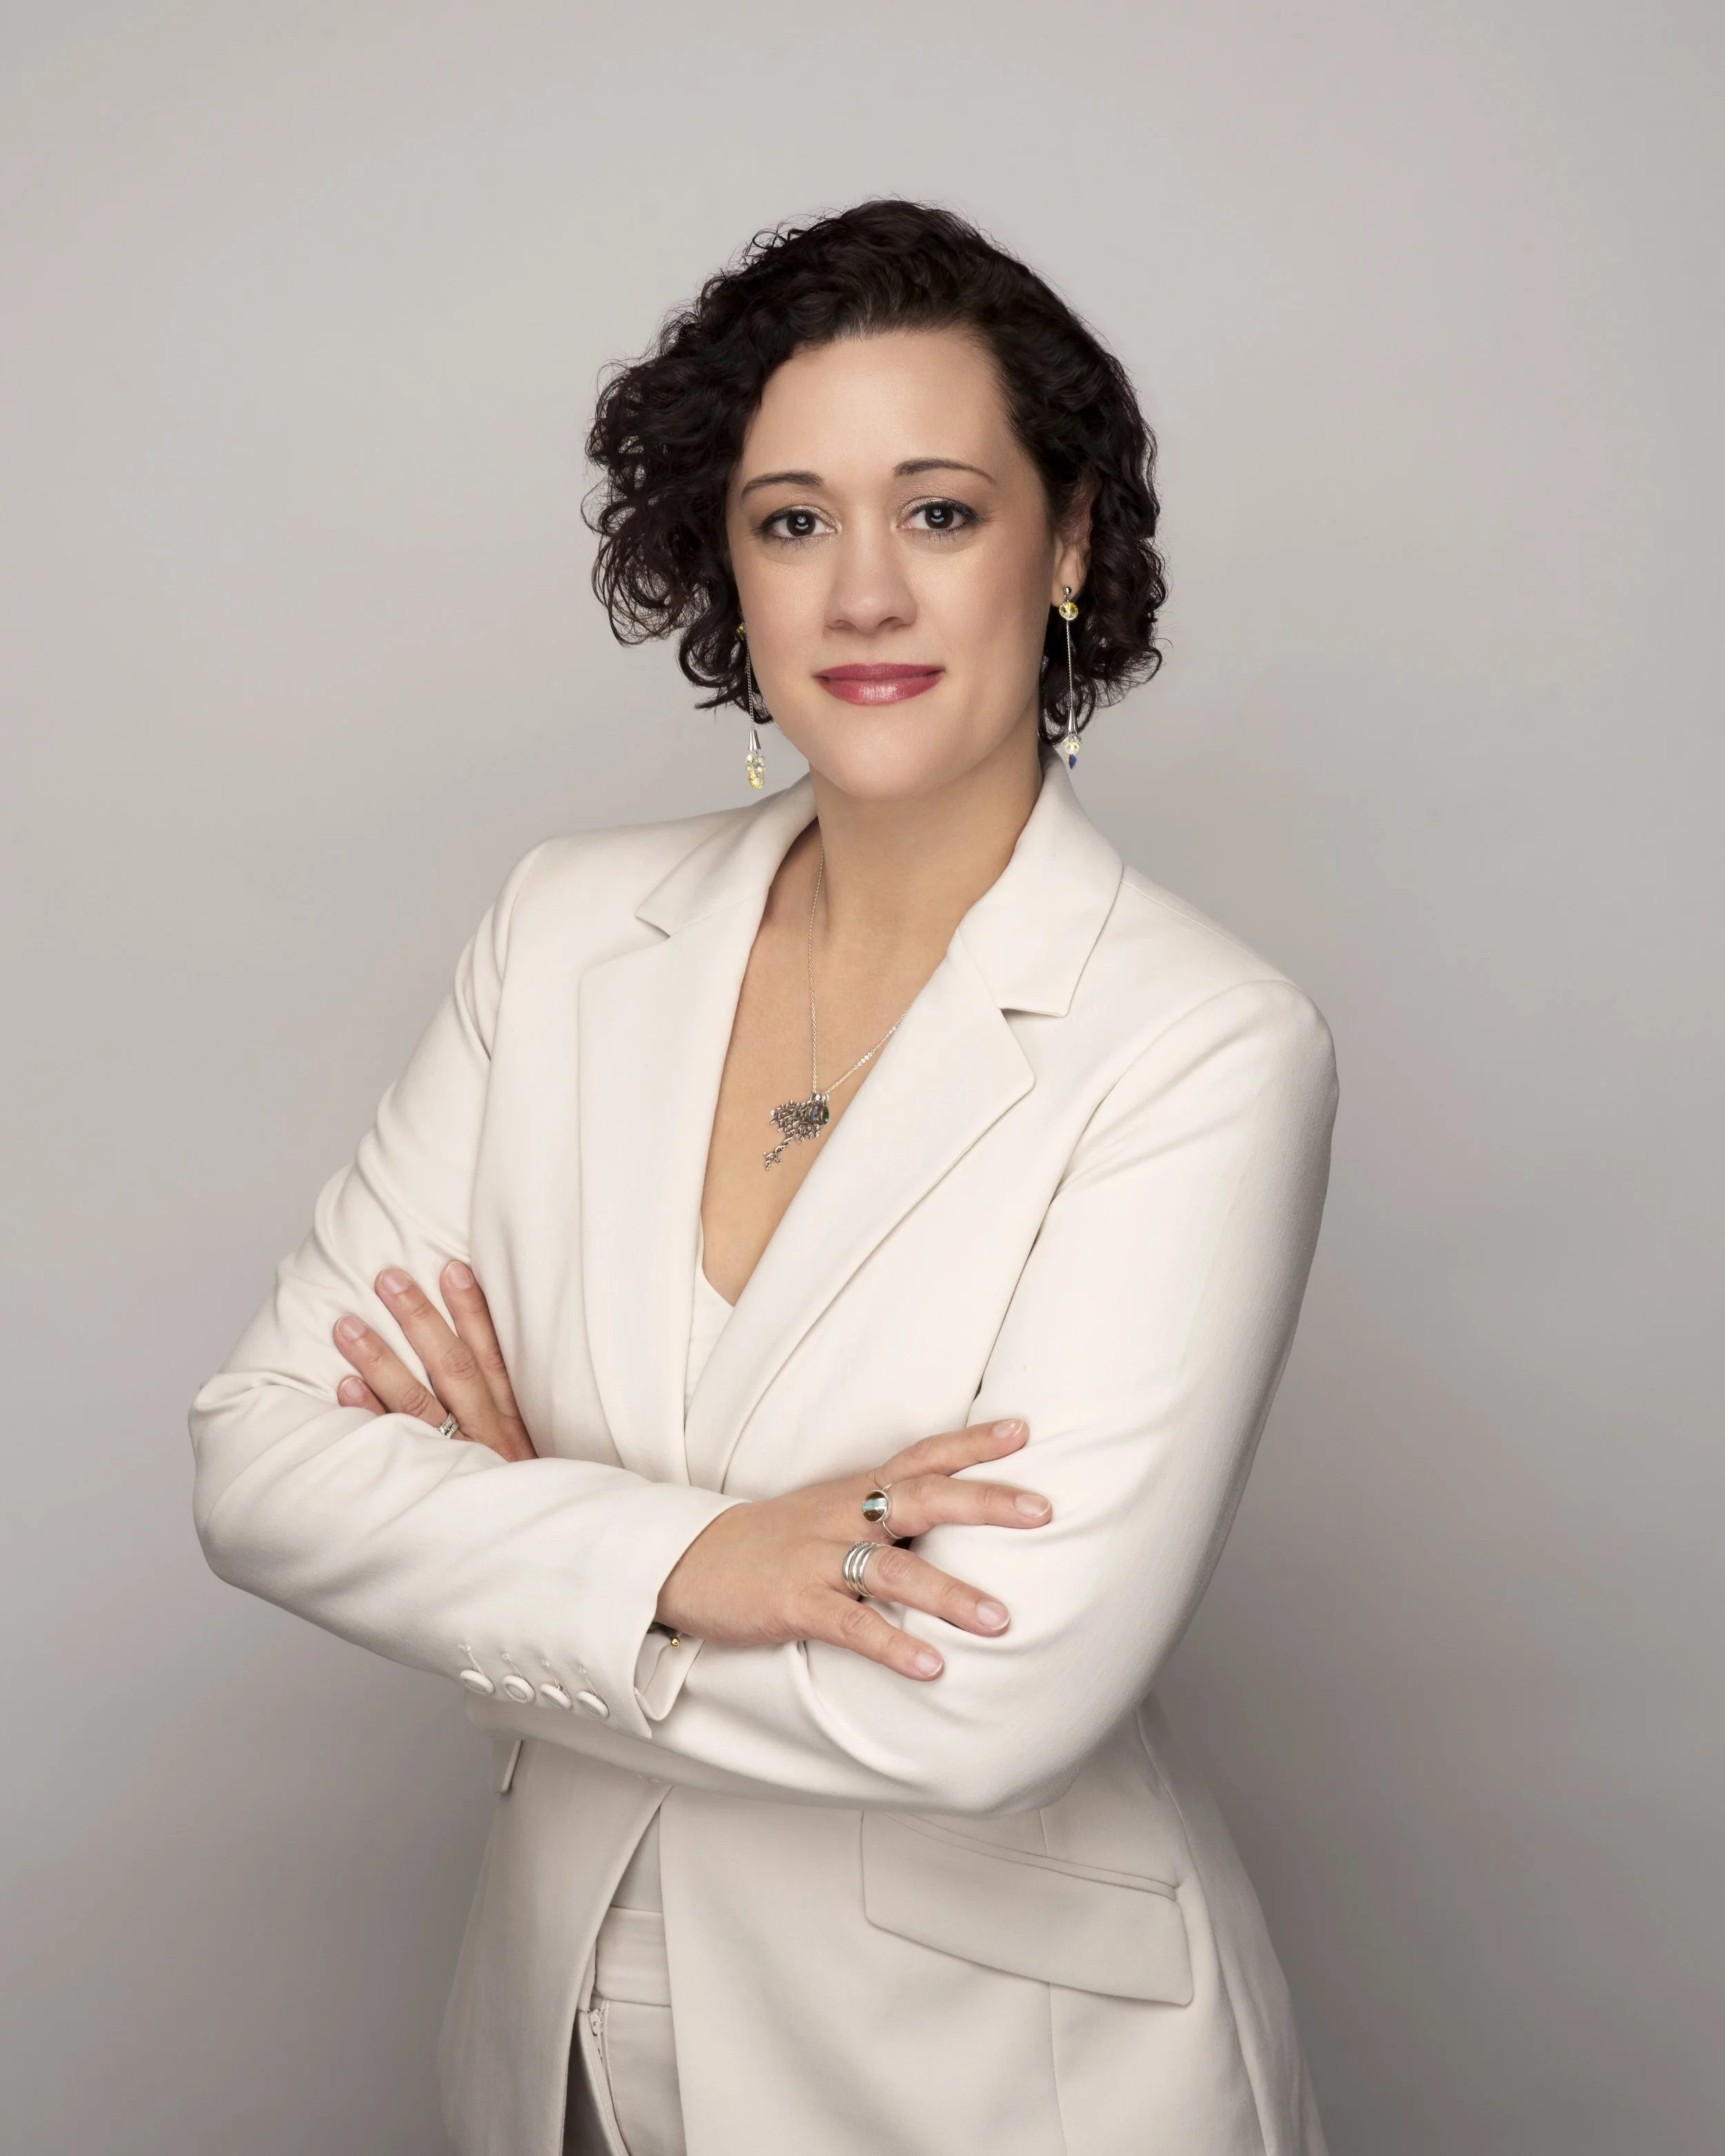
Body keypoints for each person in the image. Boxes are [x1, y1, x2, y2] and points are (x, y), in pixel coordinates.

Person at [190, 199, 1338, 2156]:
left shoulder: (1199, 1042)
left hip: (997, 2079)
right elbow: (258, 1463)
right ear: (723, 567)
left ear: (1066, 547)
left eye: (943, 512)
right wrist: (690, 1561)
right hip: (561, 2047)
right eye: (792, 519)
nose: (863, 593)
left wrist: (508, 1529)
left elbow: (970, 1702)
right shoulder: (561, 934)